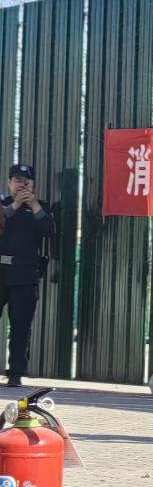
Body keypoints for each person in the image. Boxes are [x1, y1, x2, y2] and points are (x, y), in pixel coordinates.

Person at [0, 165, 55, 387]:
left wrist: (33, 205)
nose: (20, 185)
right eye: (16, 180)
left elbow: (49, 230)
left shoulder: (41, 207)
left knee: (21, 327)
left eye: (26, 181)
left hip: (24, 275)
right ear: (8, 183)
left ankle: (15, 373)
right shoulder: (3, 204)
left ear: (33, 185)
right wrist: (14, 205)